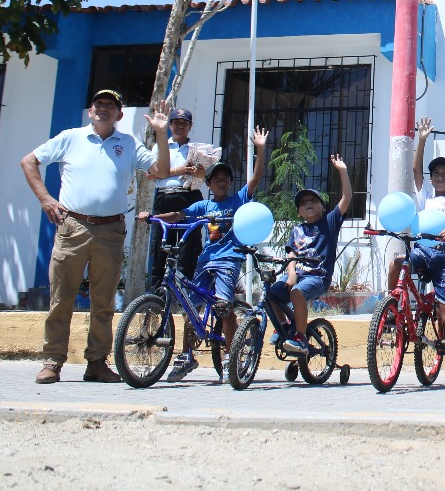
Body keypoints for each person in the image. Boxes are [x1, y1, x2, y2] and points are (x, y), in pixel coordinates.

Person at [21, 91, 170, 384]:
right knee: (61, 297)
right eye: (98, 104)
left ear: (119, 115)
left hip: (111, 231)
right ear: (90, 111)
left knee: (103, 302)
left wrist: (161, 134)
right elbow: (29, 162)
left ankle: (97, 363)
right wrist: (45, 199)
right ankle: (53, 361)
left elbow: (161, 170)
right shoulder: (71, 137)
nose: (103, 109)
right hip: (72, 227)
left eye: (110, 106)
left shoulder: (128, 143)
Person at [141, 126, 268, 382]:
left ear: (230, 183)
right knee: (191, 307)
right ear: (208, 184)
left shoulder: (238, 201)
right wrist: (153, 217)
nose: (221, 182)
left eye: (225, 179)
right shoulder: (203, 205)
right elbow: (179, 215)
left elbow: (255, 178)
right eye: (216, 179)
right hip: (205, 261)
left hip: (228, 260)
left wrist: (261, 149)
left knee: (223, 306)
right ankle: (187, 356)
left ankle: (232, 357)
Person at [387, 117, 445, 387]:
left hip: (443, 257)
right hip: (422, 250)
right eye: (436, 174)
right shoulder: (425, 198)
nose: (440, 176)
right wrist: (421, 140)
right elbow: (415, 170)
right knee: (397, 263)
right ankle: (391, 309)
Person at [270, 155, 353, 355]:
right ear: (298, 211)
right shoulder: (296, 230)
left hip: (318, 277)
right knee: (271, 293)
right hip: (297, 275)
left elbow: (347, 197)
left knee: (297, 293)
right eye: (304, 202)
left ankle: (300, 337)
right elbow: (291, 254)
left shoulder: (329, 223)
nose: (308, 204)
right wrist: (291, 274)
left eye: (313, 201)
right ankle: (284, 325)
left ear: (322, 207)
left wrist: (342, 170)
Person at [146, 107, 209, 287]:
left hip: (188, 196)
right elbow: (150, 175)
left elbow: (205, 177)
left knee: (189, 246)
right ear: (170, 125)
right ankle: (157, 297)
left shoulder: (197, 149)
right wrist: (176, 171)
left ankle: (186, 297)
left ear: (190, 126)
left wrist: (198, 172)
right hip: (164, 198)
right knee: (161, 244)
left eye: (184, 123)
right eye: (176, 123)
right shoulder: (160, 146)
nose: (180, 127)